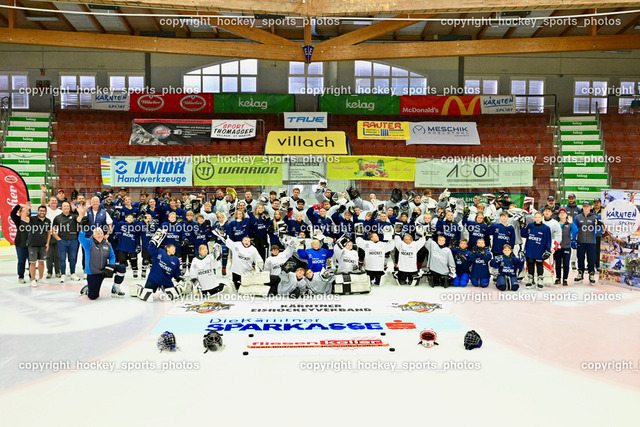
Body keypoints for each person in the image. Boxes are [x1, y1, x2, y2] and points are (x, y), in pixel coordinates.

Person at [77, 218, 126, 300]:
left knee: (121, 268)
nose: (100, 235)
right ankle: (89, 287)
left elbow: (112, 256)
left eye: (101, 233)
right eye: (98, 234)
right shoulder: (89, 243)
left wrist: (110, 265)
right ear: (93, 235)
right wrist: (82, 228)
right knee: (93, 296)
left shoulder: (108, 244)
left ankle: (115, 287)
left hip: (105, 270)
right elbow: (81, 239)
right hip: (94, 273)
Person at [135, 230, 184, 301]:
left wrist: (179, 277)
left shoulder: (176, 259)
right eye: (173, 248)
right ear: (167, 248)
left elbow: (176, 272)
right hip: (154, 279)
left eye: (175, 249)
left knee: (173, 296)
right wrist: (157, 237)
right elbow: (150, 248)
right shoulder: (160, 252)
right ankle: (139, 289)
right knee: (146, 296)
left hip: (166, 281)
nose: (174, 250)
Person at [571, 201, 601, 284]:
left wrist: (598, 227)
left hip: (591, 241)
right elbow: (574, 229)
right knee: (580, 258)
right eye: (584, 206)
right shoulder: (577, 217)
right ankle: (580, 273)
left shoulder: (595, 217)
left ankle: (591, 273)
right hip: (581, 240)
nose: (586, 208)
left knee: (591, 258)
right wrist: (573, 239)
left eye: (587, 206)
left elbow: (599, 231)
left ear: (590, 207)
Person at [21, 204, 51, 286]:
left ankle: (41, 278)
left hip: (43, 245)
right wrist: (26, 209)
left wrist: (48, 243)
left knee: (41, 262)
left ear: (46, 212)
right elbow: (23, 218)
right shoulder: (32, 219)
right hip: (32, 244)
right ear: (38, 211)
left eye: (43, 211)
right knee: (33, 263)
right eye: (40, 211)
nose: (42, 212)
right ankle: (33, 279)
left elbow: (48, 232)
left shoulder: (48, 221)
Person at [521, 211, 552, 289]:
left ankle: (540, 279)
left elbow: (548, 240)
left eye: (539, 217)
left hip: (540, 250)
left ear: (542, 218)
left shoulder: (546, 228)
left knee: (539, 264)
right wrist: (522, 226)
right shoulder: (530, 226)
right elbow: (524, 234)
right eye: (536, 217)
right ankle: (531, 280)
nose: (537, 219)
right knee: (530, 264)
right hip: (530, 249)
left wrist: (548, 250)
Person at [52, 201, 80, 282]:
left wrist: (80, 211)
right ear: (61, 207)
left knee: (73, 258)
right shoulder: (57, 218)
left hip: (73, 240)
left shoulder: (74, 216)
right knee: (62, 258)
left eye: (68, 206)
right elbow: (53, 230)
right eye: (64, 206)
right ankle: (63, 274)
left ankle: (73, 273)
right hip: (62, 241)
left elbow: (80, 219)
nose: (66, 208)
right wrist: (59, 239)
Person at [41, 186, 62, 279]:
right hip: (48, 235)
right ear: (49, 202)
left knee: (58, 255)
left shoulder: (60, 211)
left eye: (55, 201)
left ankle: (58, 271)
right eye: (52, 201)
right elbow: (42, 203)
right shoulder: (47, 210)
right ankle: (49, 271)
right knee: (49, 255)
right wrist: (44, 193)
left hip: (58, 235)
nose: (54, 202)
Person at [113, 213, 141, 279]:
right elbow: (116, 227)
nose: (130, 219)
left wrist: (138, 245)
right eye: (129, 217)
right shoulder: (121, 224)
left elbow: (137, 237)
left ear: (133, 219)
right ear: (126, 218)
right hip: (122, 246)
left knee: (133, 259)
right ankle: (121, 271)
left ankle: (135, 270)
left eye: (132, 218)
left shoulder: (135, 226)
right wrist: (115, 219)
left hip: (132, 246)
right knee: (121, 259)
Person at [11, 203, 31, 284]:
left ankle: (32, 276)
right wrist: (19, 205)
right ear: (20, 212)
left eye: (27, 210)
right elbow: (12, 213)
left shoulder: (32, 220)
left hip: (31, 244)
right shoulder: (18, 220)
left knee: (31, 261)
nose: (25, 212)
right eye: (23, 211)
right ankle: (21, 276)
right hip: (20, 244)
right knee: (21, 261)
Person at [555, 209, 572, 286]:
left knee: (566, 264)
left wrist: (572, 223)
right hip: (557, 247)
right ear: (558, 215)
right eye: (560, 213)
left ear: (566, 215)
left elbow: (575, 231)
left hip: (566, 246)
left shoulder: (569, 224)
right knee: (558, 263)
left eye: (563, 213)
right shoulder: (556, 224)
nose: (562, 214)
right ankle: (558, 278)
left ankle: (565, 279)